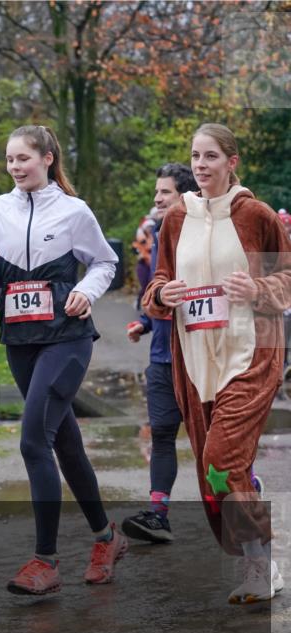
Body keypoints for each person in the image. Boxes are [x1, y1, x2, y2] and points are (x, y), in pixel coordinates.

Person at [0, 125, 125, 595]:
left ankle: (45, 560)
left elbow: (105, 263)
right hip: (21, 342)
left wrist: (84, 292)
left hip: (67, 339)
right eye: (9, 160)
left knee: (34, 440)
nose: (15, 167)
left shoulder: (74, 211)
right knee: (65, 442)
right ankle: (106, 538)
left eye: (23, 159)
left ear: (47, 158)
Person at [143, 123, 287, 604]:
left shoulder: (256, 215)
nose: (201, 166)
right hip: (196, 360)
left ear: (232, 162)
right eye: (195, 157)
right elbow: (157, 284)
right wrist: (162, 294)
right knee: (216, 477)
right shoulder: (177, 218)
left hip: (250, 355)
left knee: (219, 462)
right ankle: (262, 555)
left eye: (210, 157)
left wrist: (260, 289)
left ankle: (259, 565)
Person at [122, 163, 198, 543]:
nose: (156, 198)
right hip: (162, 356)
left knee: (213, 440)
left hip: (201, 357)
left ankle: (242, 491)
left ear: (184, 196)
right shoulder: (155, 236)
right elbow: (155, 291)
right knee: (163, 434)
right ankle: (158, 514)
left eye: (164, 192)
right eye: (156, 192)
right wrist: (146, 322)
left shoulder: (205, 235)